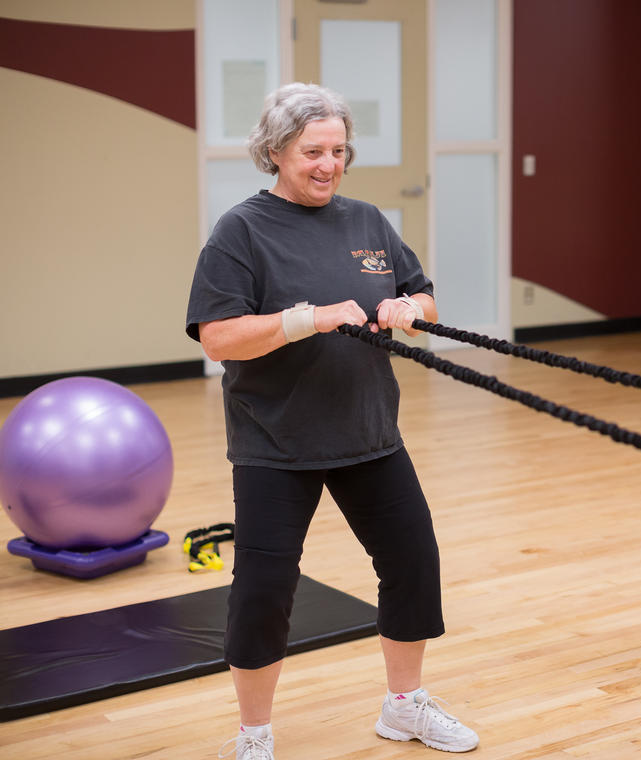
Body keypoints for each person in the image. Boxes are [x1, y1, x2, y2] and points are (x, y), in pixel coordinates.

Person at [186, 83, 477, 760]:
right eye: (312, 151)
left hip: (368, 432)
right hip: (275, 440)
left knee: (412, 564)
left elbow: (422, 294)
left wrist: (414, 310)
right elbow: (219, 337)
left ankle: (403, 707)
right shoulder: (242, 231)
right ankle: (254, 735)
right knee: (264, 590)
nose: (328, 164)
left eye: (339, 150)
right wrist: (307, 318)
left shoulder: (368, 221)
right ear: (276, 152)